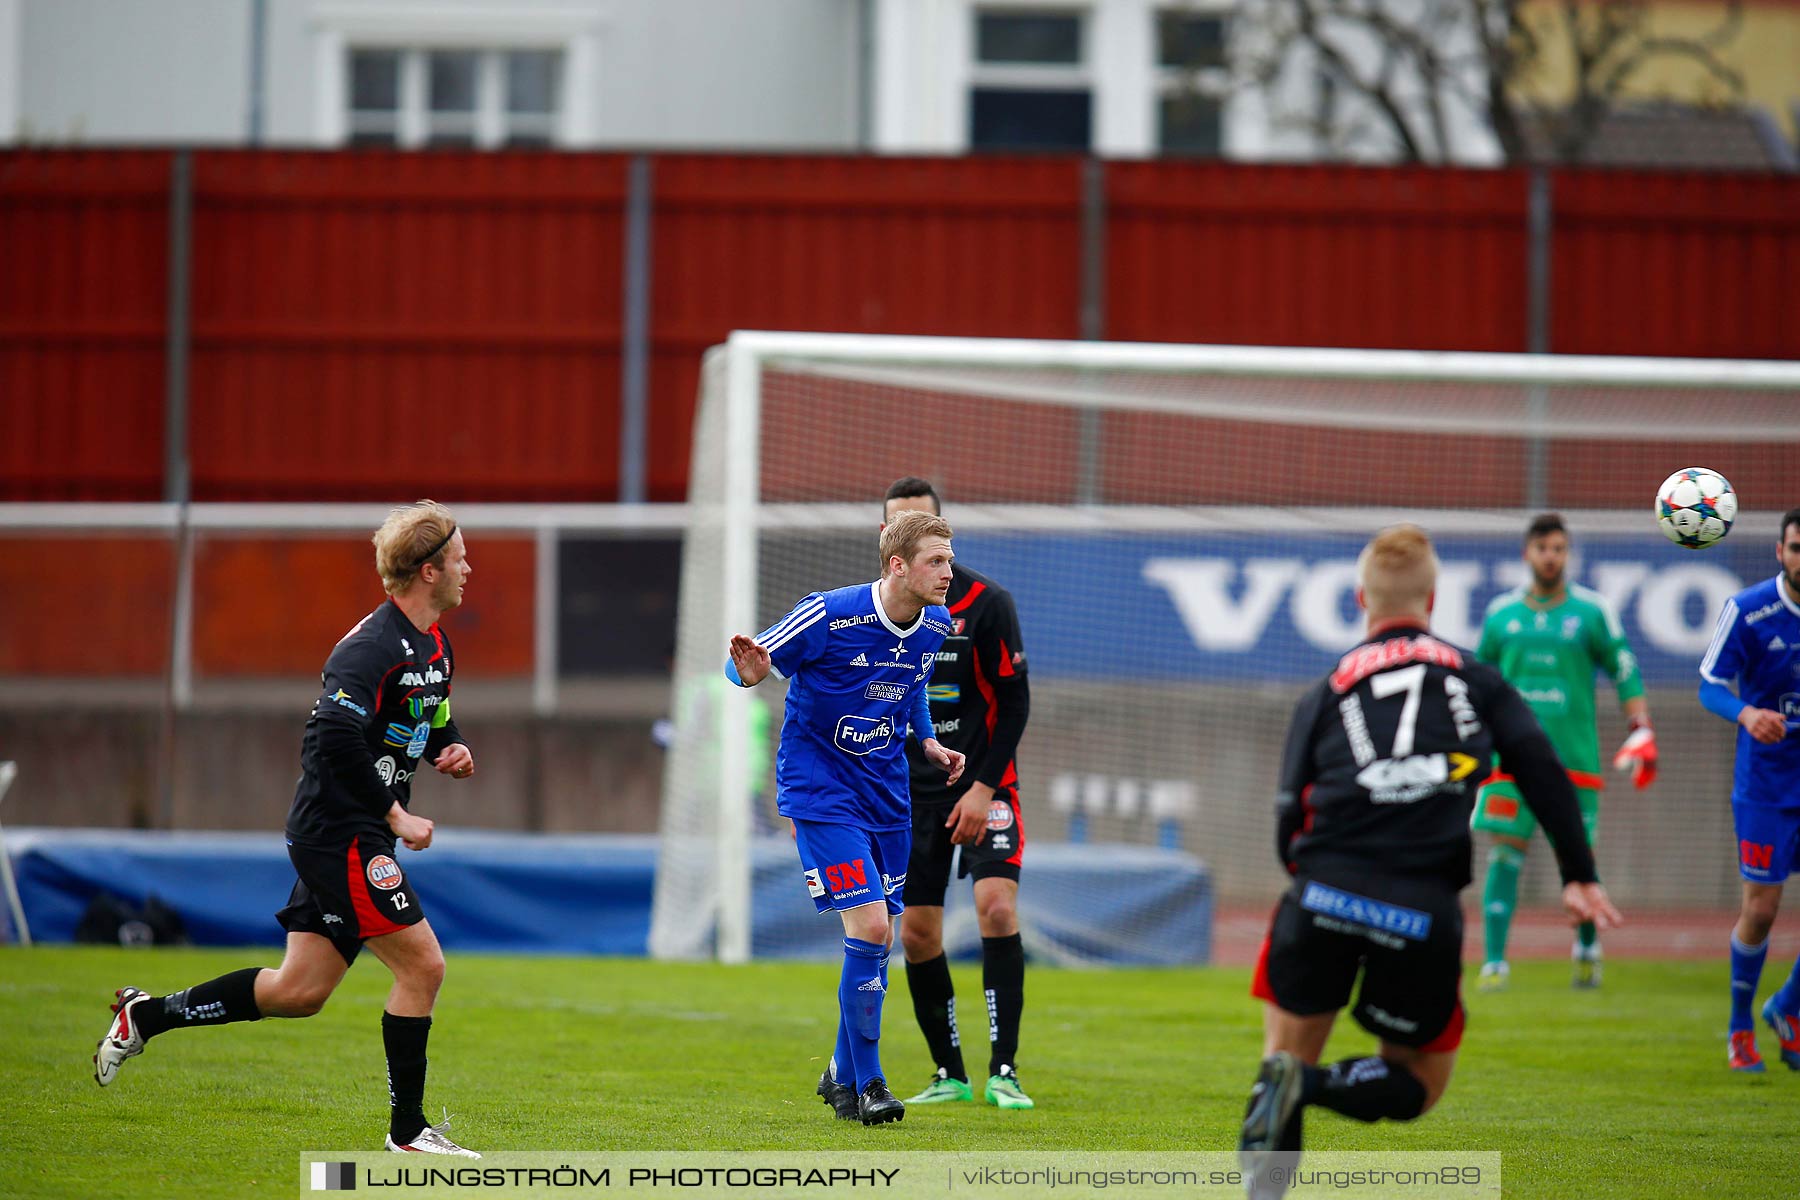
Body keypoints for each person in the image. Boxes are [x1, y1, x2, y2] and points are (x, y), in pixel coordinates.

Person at [1238, 524, 1619, 1199]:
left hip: (1322, 889)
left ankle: (1269, 1176)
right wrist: (1578, 873)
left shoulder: (1323, 690)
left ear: (1361, 598)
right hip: (1419, 906)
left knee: (1282, 1058)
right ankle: (1315, 1085)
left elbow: (1286, 812)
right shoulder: (1477, 679)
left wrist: (1311, 881)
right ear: (1434, 599)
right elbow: (1541, 770)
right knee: (1418, 1081)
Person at [94, 500, 482, 1157]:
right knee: (424, 967)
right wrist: (394, 813)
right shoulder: (371, 647)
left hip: (357, 830)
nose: (468, 566)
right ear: (426, 572)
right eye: (459, 556)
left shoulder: (433, 643)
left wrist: (451, 747)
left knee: (298, 992)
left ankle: (147, 1015)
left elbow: (431, 709)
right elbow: (333, 731)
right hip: (341, 832)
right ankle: (408, 1133)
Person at [725, 509, 966, 1126]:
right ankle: (871, 1084)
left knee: (875, 938)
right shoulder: (829, 613)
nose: (948, 571)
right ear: (897, 566)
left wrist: (928, 742)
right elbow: (748, 665)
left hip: (887, 797)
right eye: (936, 560)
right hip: (821, 790)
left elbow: (909, 688)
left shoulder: (935, 624)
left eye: (949, 558)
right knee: (873, 931)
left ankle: (838, 1073)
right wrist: (748, 671)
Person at [881, 478, 1035, 1111]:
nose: (914, 534)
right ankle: (949, 1072)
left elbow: (1015, 701)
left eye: (925, 524)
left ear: (943, 532)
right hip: (908, 797)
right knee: (917, 933)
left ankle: (1005, 1069)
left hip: (982, 786)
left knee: (996, 907)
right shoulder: (867, 613)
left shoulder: (985, 602)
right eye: (898, 524)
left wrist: (981, 787)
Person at [1471, 513, 1655, 990]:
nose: (1550, 557)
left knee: (1579, 855)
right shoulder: (1500, 615)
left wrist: (1640, 727)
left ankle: (1587, 949)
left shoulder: (1591, 612)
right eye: (1542, 548)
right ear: (1526, 553)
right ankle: (1494, 962)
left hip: (1574, 757)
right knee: (1504, 855)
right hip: (1509, 761)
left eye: (1558, 548)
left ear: (1567, 553)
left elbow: (1624, 667)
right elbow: (1479, 686)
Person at [1699, 505, 1800, 1073]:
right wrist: (1745, 714)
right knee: (1761, 911)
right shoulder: (1749, 609)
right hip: (1766, 785)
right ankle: (1741, 1026)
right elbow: (1710, 685)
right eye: (1797, 546)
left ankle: (1787, 1006)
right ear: (1780, 551)